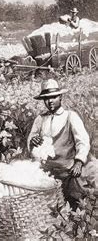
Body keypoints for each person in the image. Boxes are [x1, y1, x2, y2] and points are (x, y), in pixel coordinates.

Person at [28, 79, 97, 207]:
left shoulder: (70, 116)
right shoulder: (40, 119)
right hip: (48, 172)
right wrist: (32, 141)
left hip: (68, 170)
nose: (50, 101)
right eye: (46, 98)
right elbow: (31, 138)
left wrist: (79, 162)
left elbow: (82, 141)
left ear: (60, 97)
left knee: (76, 200)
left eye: (53, 97)